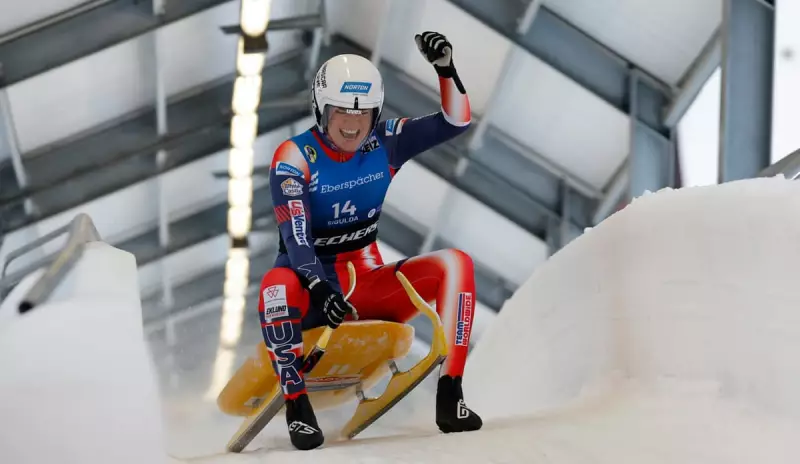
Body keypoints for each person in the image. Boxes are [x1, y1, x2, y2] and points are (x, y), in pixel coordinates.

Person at [258, 31, 482, 451]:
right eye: (341, 112)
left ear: (376, 114)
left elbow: (455, 122)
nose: (352, 124)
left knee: (456, 262)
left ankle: (451, 391)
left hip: (364, 285)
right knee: (275, 285)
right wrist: (319, 286)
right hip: (310, 293)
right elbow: (296, 236)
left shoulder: (387, 141)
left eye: (363, 114)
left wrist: (446, 70)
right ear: (321, 110)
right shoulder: (293, 157)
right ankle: (296, 404)